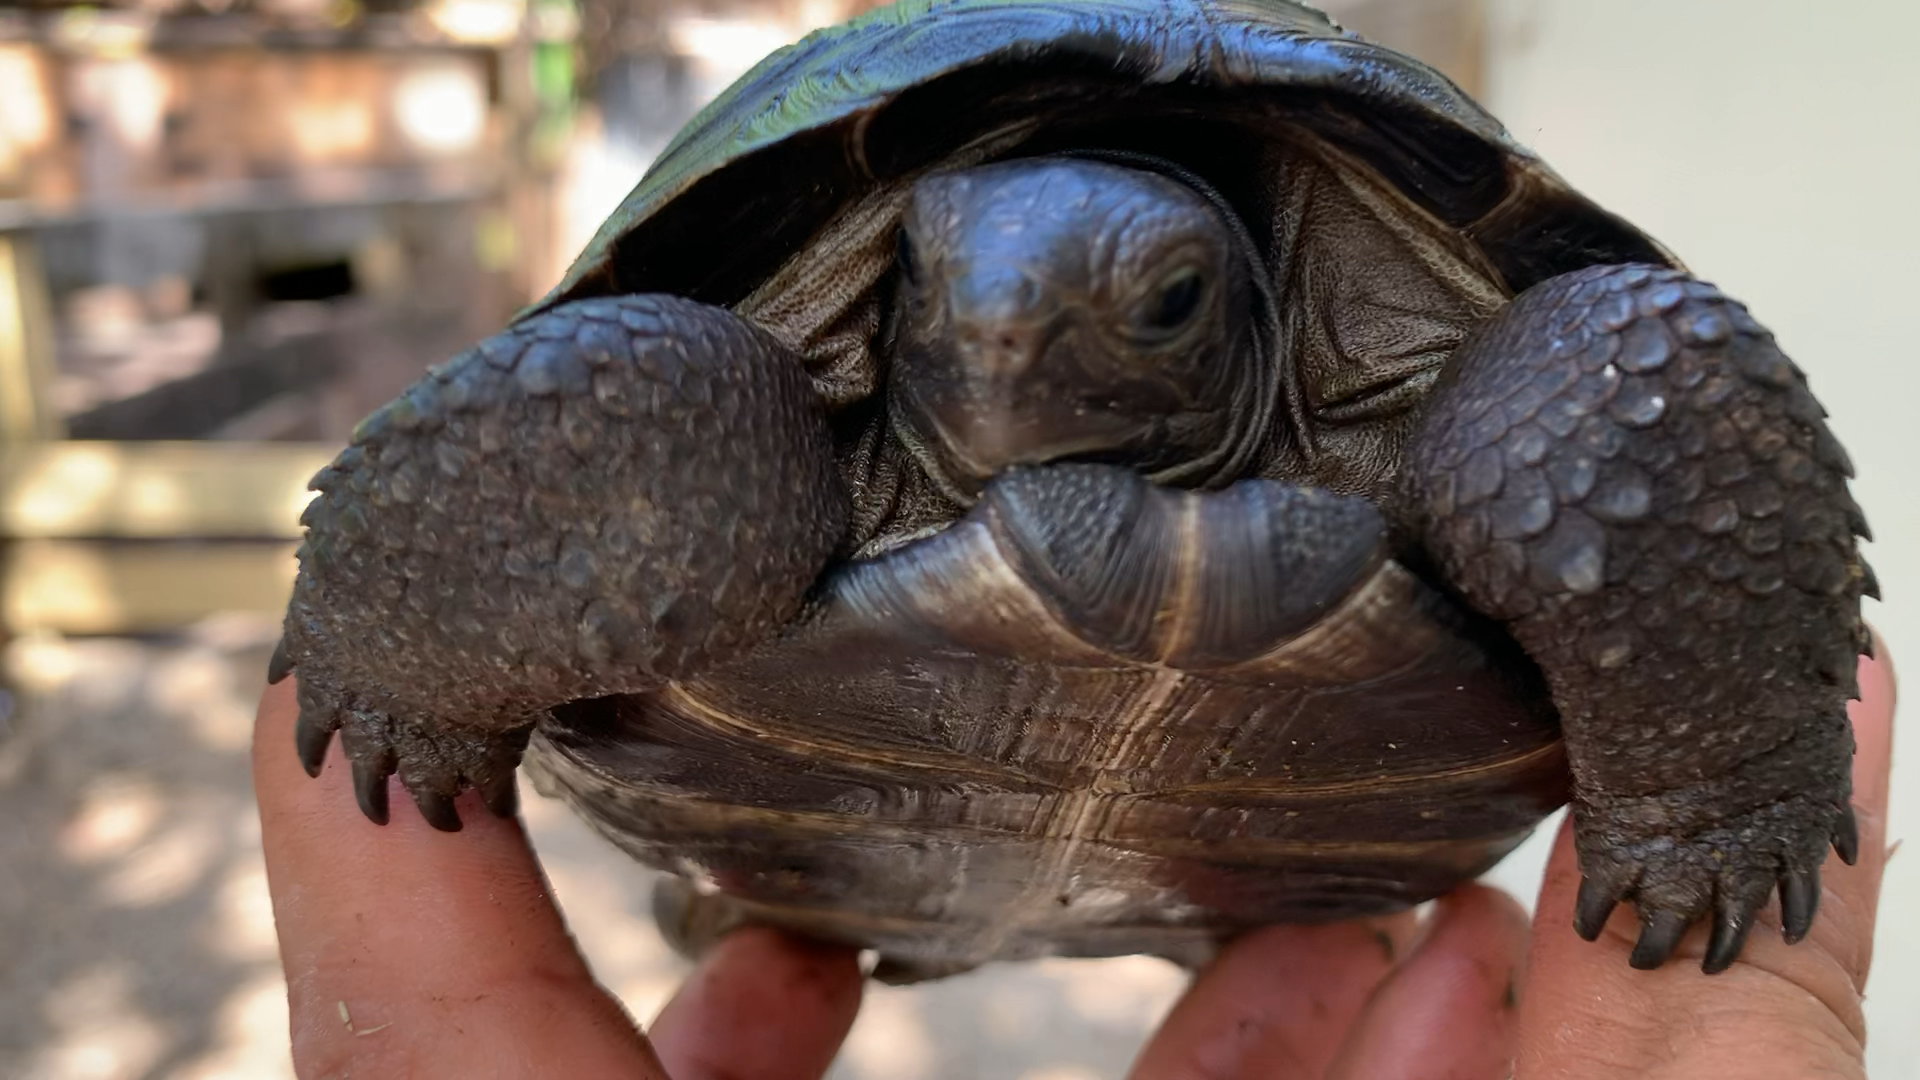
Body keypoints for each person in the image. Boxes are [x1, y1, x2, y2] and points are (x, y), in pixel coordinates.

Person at [252, 647, 1894, 1079]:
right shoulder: (715, 389)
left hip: (1283, 860)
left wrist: (1724, 765)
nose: (1027, 350)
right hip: (818, 852)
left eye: (1162, 300)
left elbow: (1642, 372)